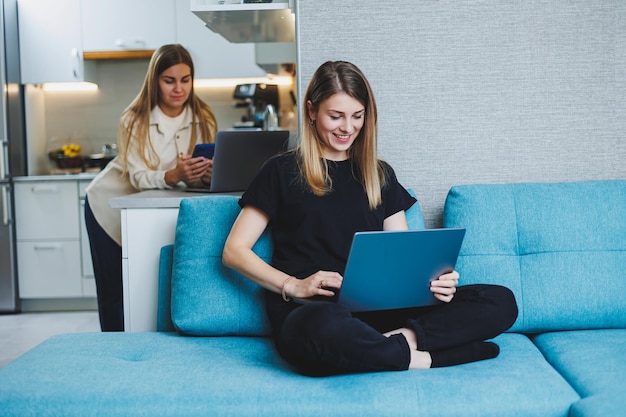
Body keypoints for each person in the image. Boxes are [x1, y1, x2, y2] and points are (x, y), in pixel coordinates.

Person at [222, 60, 518, 376]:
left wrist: (434, 284)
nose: (347, 127)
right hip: (314, 311)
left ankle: (392, 344)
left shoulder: (379, 174)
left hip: (379, 312)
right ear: (311, 111)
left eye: (357, 116)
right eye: (335, 116)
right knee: (320, 330)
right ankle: (422, 357)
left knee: (500, 300)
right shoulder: (280, 172)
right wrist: (293, 285)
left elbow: (404, 259)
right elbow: (234, 251)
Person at [85, 44, 218, 331]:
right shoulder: (133, 119)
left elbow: (198, 170)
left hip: (152, 207)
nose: (178, 89)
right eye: (169, 81)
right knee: (114, 290)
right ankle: (115, 351)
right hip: (107, 205)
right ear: (154, 80)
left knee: (150, 285)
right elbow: (138, 177)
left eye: (185, 80)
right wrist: (174, 174)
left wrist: (206, 176)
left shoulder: (203, 116)